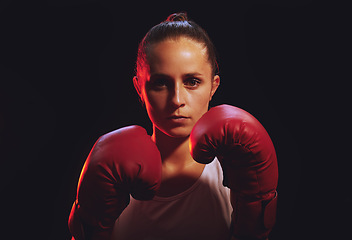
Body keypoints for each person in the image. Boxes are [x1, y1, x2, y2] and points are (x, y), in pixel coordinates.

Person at [68, 12, 278, 240]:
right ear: (139, 88)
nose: (177, 99)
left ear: (213, 87)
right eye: (161, 83)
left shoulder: (235, 174)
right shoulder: (111, 176)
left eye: (192, 82)